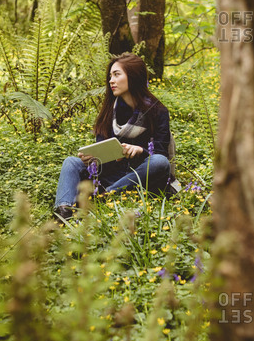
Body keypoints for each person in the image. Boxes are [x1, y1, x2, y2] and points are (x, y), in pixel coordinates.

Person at [54, 53, 171, 221]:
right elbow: (102, 147)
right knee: (71, 163)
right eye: (110, 76)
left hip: (139, 179)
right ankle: (64, 212)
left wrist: (140, 150)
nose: (111, 80)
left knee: (160, 161)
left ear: (133, 76)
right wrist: (93, 158)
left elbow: (161, 155)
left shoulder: (158, 111)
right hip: (110, 174)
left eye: (117, 74)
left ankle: (103, 198)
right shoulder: (110, 110)